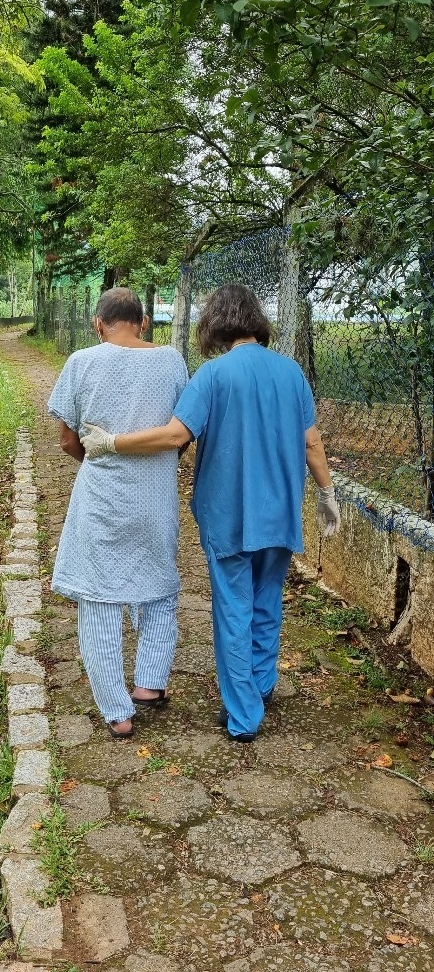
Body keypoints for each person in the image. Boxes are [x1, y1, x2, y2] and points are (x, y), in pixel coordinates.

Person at [81, 283, 341, 744]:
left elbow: (174, 436)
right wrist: (327, 494)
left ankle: (243, 716)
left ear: (215, 324)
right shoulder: (291, 373)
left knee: (234, 610)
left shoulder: (212, 376)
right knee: (267, 603)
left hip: (230, 515)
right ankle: (261, 685)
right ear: (257, 320)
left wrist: (111, 443)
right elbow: (312, 441)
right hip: (281, 512)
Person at [48, 287, 189, 738]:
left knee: (99, 597)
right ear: (144, 322)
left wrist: (101, 463)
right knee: (159, 588)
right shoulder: (171, 361)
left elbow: (68, 440)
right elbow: (181, 434)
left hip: (101, 498)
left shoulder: (81, 362)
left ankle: (117, 711)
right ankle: (149, 682)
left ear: (98, 323)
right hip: (156, 499)